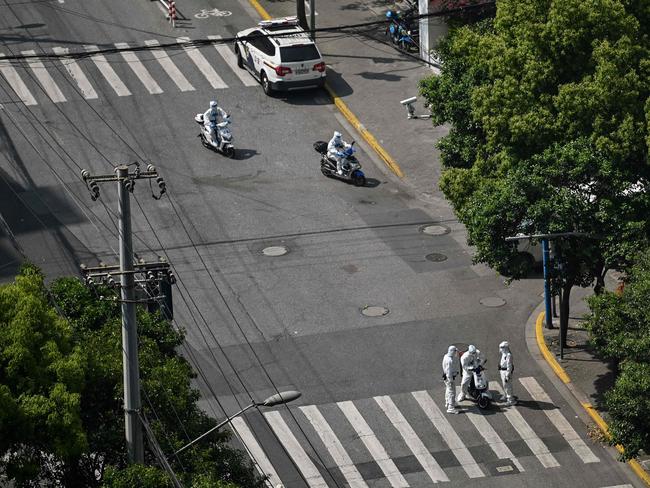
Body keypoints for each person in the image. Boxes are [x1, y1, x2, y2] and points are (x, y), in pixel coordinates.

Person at [442, 345, 460, 414]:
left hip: (445, 377)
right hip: (449, 378)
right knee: (452, 392)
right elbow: (449, 371)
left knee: (448, 390)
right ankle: (451, 407)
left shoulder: (446, 356)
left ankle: (447, 402)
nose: (456, 353)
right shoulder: (450, 360)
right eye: (455, 351)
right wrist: (451, 380)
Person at [498, 341, 516, 406]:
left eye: (502, 347)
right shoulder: (504, 353)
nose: (501, 349)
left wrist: (507, 375)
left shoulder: (509, 355)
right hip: (502, 370)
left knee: (508, 386)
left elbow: (509, 366)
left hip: (506, 372)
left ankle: (510, 400)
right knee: (504, 385)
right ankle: (506, 395)